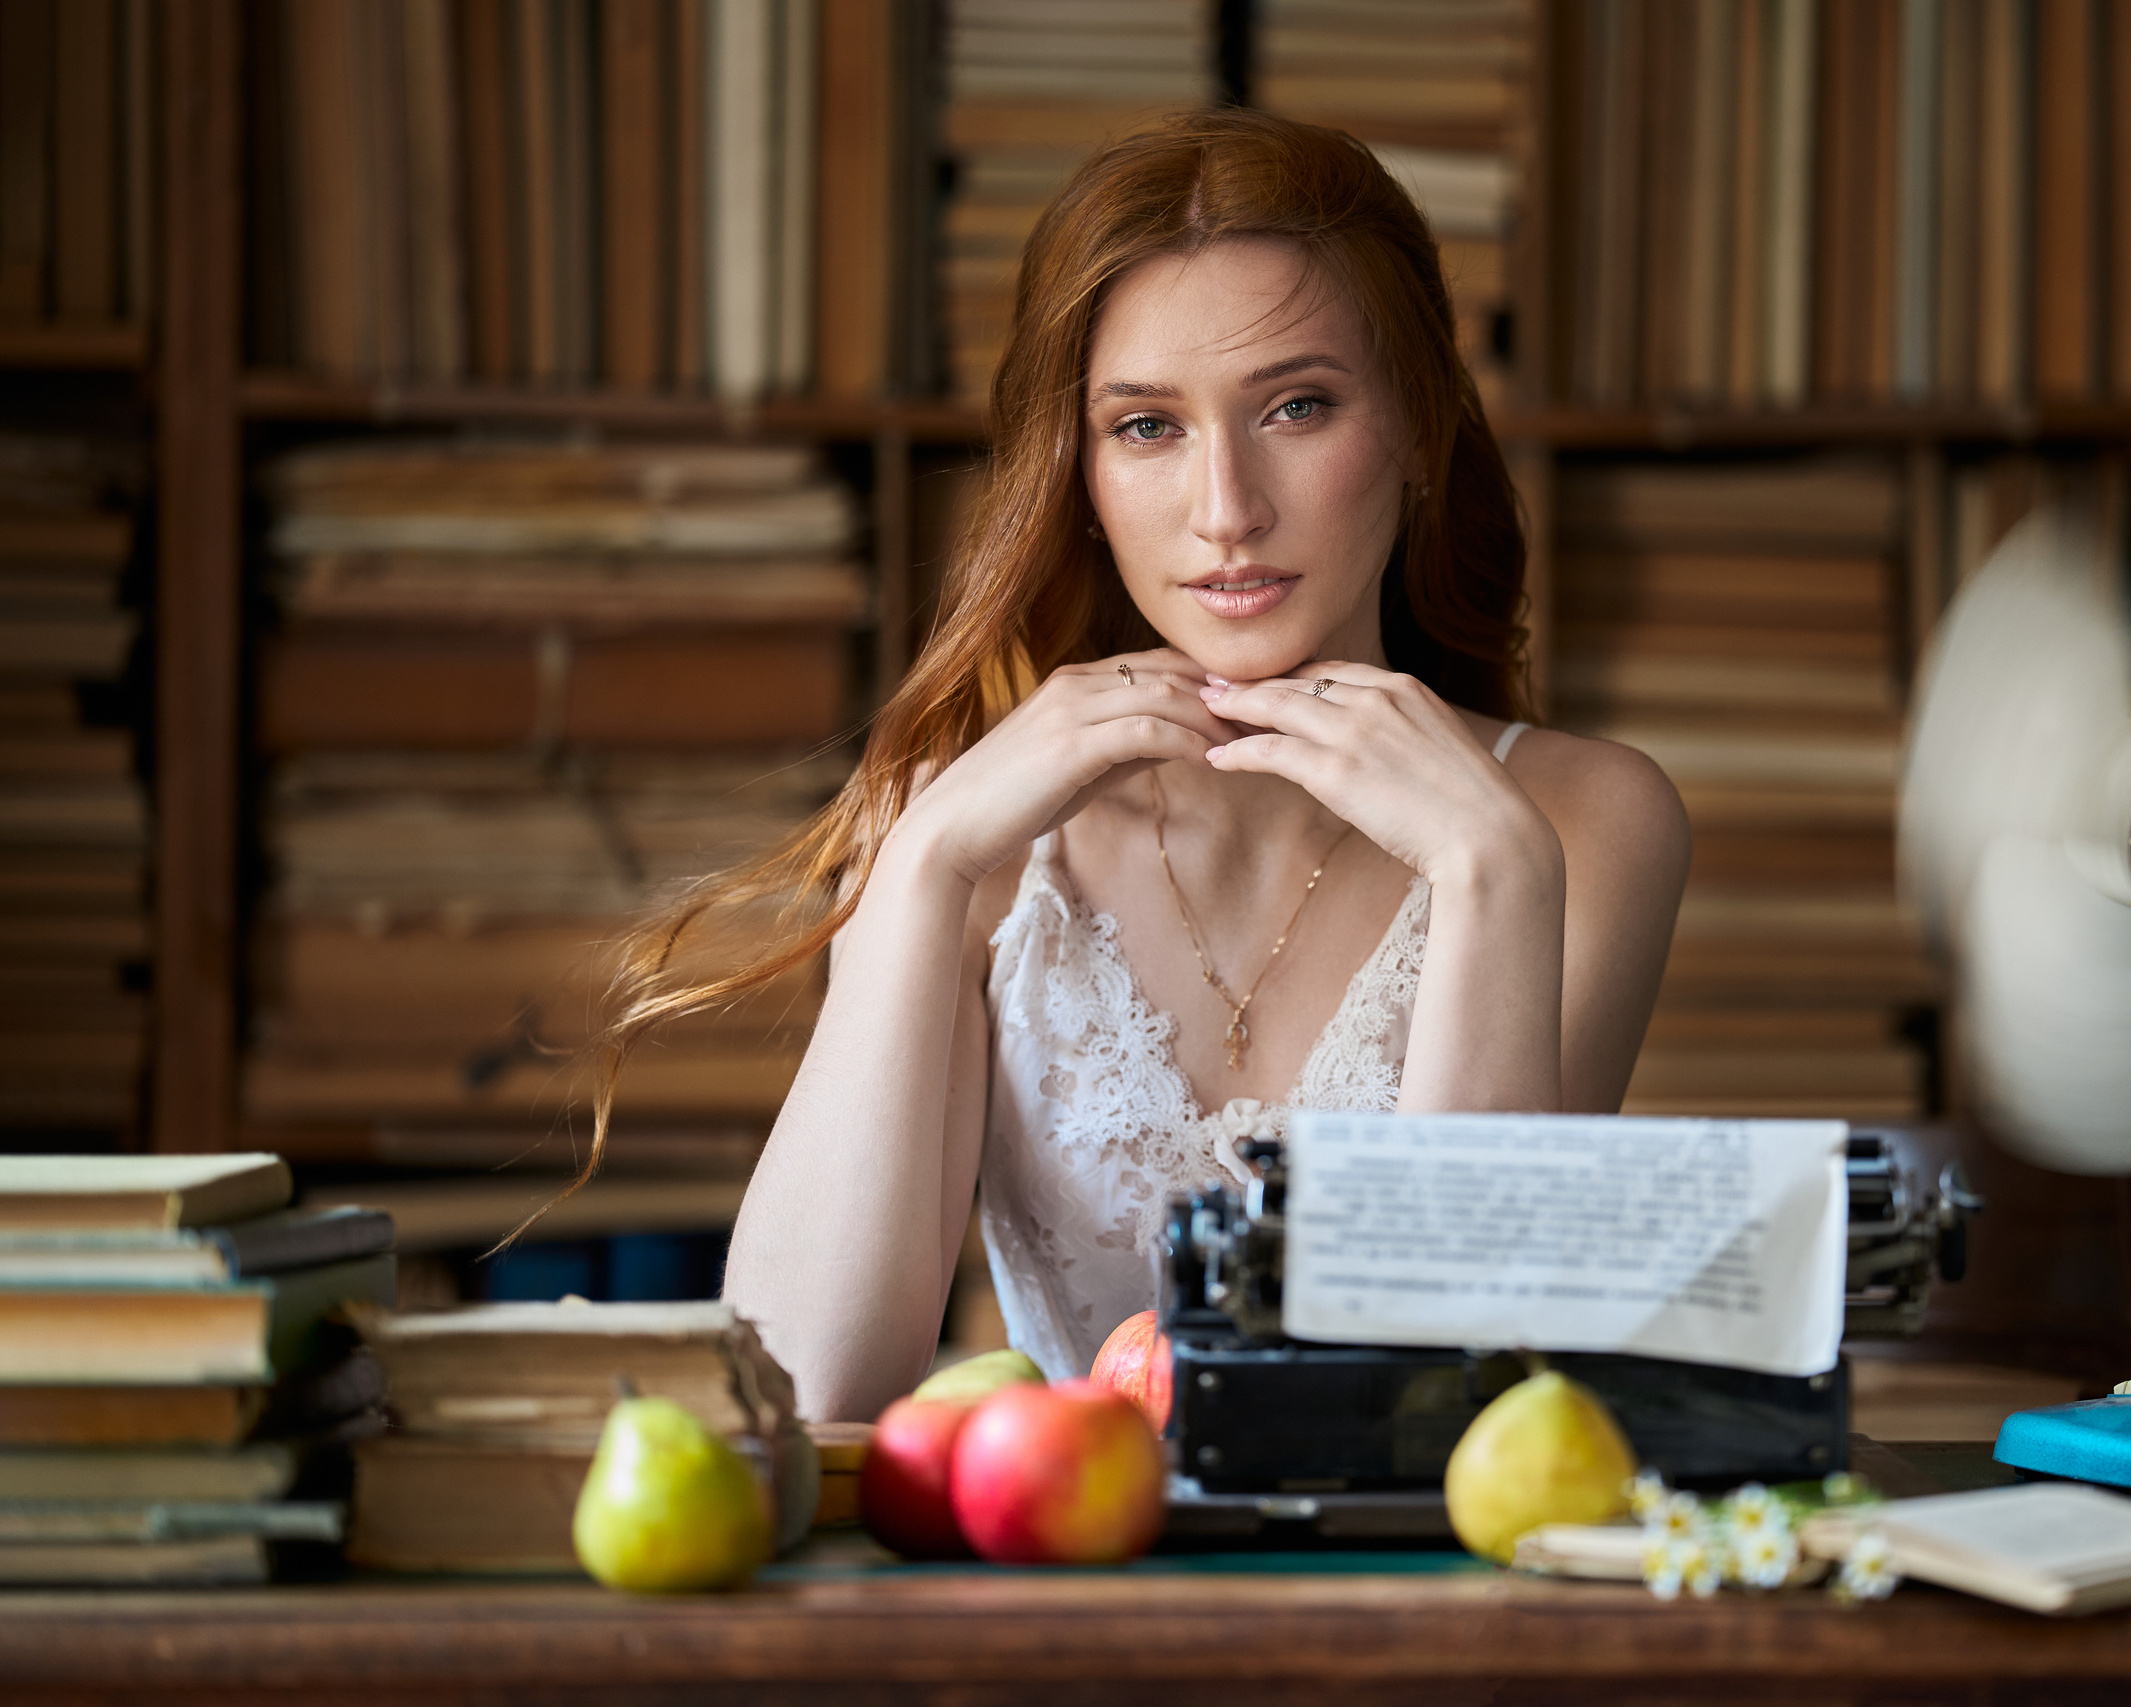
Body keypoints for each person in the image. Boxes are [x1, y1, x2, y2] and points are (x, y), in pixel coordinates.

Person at [601, 110, 1688, 1421]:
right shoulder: (970, 829)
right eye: (1147, 427)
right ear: (1081, 472)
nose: (1226, 509)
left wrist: (1491, 867)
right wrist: (928, 864)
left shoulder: (1581, 823)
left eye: (1297, 406)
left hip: (1413, 1606)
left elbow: (1453, 1399)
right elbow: (802, 1388)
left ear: (1412, 427)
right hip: (1050, 1588)